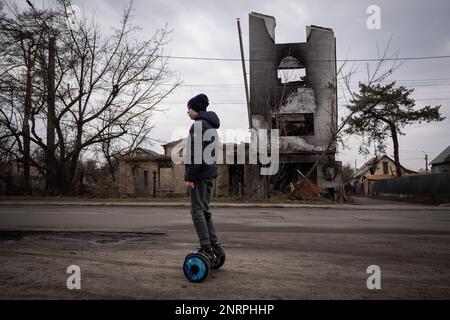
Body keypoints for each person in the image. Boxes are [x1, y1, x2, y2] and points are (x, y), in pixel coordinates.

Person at [184, 93, 222, 262]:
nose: (187, 112)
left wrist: (190, 176)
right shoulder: (210, 125)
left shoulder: (198, 126)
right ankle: (214, 243)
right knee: (205, 210)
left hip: (199, 175)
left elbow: (195, 154)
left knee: (196, 211)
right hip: (208, 173)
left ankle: (206, 246)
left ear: (195, 109)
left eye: (189, 108)